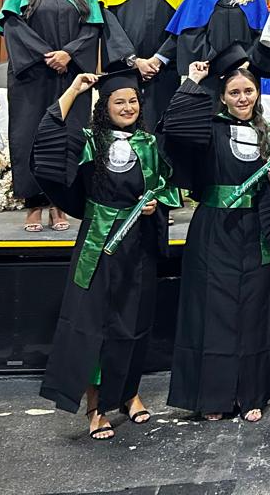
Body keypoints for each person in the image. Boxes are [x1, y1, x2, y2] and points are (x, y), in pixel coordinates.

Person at [29, 68, 180, 440]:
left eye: (133, 101)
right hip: (99, 242)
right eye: (119, 102)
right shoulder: (89, 141)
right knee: (95, 324)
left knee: (135, 321)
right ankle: (95, 406)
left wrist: (155, 204)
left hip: (138, 244)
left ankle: (128, 393)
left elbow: (165, 186)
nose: (128, 107)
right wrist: (74, 90)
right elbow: (48, 138)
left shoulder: (148, 143)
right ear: (104, 107)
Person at [159, 43, 270, 422]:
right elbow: (173, 129)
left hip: (256, 229)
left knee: (253, 311)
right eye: (234, 92)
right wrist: (192, 82)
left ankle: (250, 395)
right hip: (215, 230)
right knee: (214, 311)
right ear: (223, 97)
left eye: (248, 91)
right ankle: (213, 397)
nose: (242, 98)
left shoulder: (267, 133)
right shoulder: (209, 130)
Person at [0, 0, 104, 233]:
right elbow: (13, 28)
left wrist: (67, 54)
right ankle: (33, 205)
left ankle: (61, 204)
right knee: (29, 136)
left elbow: (92, 31)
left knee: (68, 136)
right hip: (32, 77)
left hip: (72, 77)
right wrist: (47, 55)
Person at [99, 0, 197, 130]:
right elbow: (109, 28)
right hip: (125, 69)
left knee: (163, 127)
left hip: (166, 70)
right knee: (125, 127)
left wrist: (159, 59)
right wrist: (133, 60)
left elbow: (186, 27)